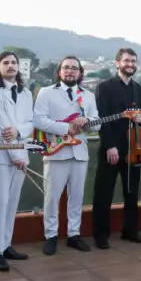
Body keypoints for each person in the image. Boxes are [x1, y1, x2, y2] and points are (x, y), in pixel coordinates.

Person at [33, 56, 98, 254]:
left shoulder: (88, 95)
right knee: (52, 197)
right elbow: (38, 120)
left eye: (74, 68)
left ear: (80, 73)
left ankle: (73, 234)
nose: (70, 71)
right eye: (66, 68)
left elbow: (98, 122)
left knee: (77, 197)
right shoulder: (46, 93)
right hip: (56, 150)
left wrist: (87, 120)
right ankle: (51, 235)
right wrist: (65, 128)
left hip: (79, 152)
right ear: (59, 71)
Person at [0, 50, 34, 271]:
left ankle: (7, 245)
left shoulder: (26, 92)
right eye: (6, 63)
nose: (11, 66)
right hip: (1, 155)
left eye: (14, 62)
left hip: (20, 153)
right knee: (0, 204)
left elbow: (30, 123)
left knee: (12, 204)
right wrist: (16, 156)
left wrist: (20, 139)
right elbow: (1, 125)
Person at [91, 47, 141, 249]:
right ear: (117, 63)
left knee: (132, 191)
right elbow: (102, 119)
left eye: (133, 61)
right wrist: (110, 145)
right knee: (104, 192)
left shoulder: (139, 90)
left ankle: (130, 230)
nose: (130, 64)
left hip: (134, 148)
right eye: (126, 61)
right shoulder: (104, 87)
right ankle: (101, 235)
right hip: (111, 147)